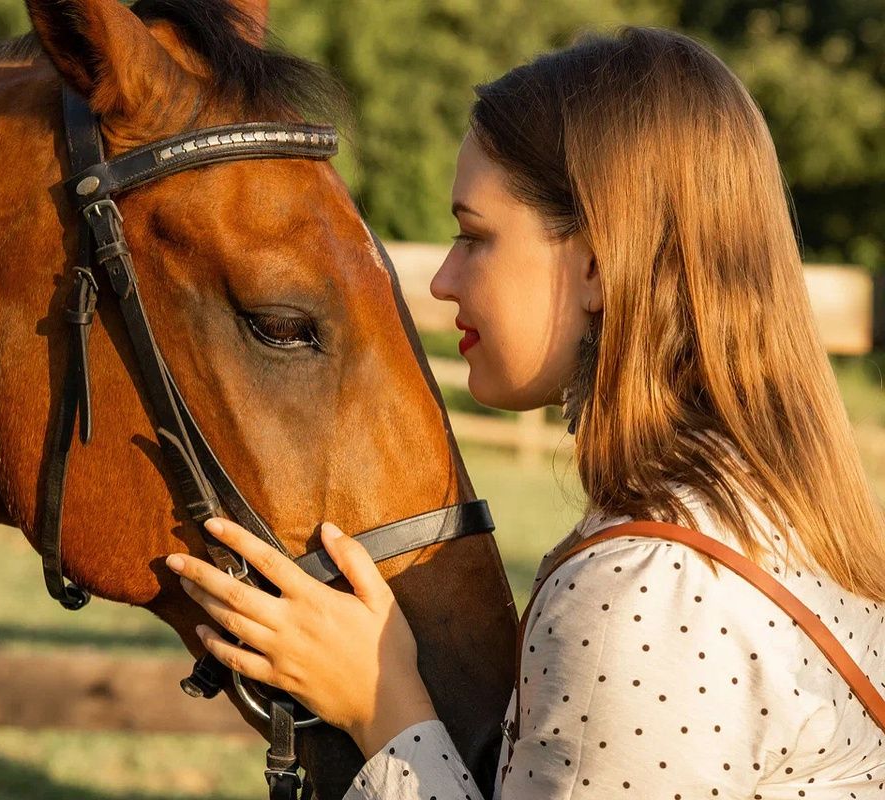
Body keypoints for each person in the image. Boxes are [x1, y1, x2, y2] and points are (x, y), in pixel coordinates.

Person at [164, 25, 885, 799]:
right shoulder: (760, 511)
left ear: (599, 265)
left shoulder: (646, 590)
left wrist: (381, 705)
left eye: (475, 237)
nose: (442, 281)